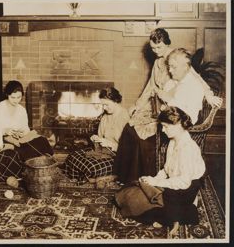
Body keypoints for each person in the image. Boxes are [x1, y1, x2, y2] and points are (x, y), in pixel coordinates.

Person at [113, 31, 223, 184]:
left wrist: (208, 94)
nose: (156, 52)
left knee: (140, 135)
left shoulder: (178, 60)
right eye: (153, 48)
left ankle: (139, 178)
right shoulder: (159, 63)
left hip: (173, 110)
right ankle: (123, 175)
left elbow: (196, 78)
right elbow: (150, 87)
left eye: (159, 48)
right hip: (162, 104)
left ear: (167, 44)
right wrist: (137, 106)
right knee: (130, 126)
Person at [115, 106, 206, 234]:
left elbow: (184, 182)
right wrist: (154, 179)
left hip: (187, 187)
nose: (163, 130)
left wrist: (155, 183)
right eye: (162, 126)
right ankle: (176, 214)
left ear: (179, 124)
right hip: (175, 183)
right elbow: (167, 169)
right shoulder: (173, 141)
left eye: (166, 126)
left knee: (141, 210)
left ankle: (187, 212)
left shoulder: (188, 148)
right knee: (130, 194)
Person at [63, 87, 130, 185]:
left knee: (91, 167)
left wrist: (110, 144)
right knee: (72, 156)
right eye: (102, 105)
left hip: (118, 156)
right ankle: (86, 177)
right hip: (103, 151)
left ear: (115, 101)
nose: (103, 108)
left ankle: (88, 177)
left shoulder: (125, 118)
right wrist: (97, 139)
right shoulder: (105, 116)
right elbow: (101, 137)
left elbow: (129, 150)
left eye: (106, 104)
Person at [0, 80, 54, 162]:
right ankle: (28, 162)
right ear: (7, 95)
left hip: (19, 140)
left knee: (42, 141)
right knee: (19, 151)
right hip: (4, 140)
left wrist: (22, 133)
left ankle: (48, 163)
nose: (16, 100)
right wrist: (5, 131)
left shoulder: (21, 110)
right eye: (13, 97)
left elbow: (26, 129)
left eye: (19, 97)